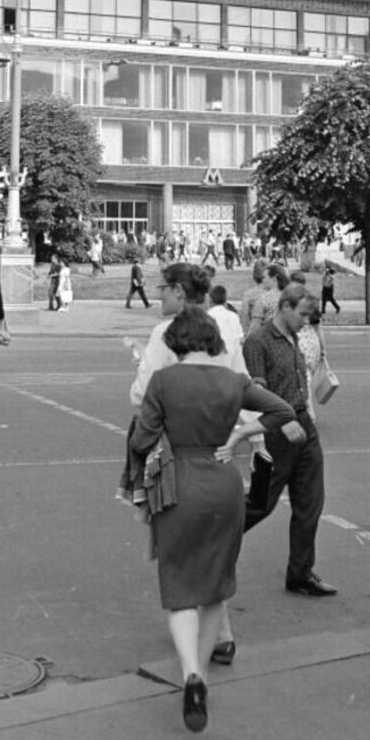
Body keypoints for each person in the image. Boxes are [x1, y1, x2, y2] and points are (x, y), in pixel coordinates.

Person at [128, 305, 299, 733]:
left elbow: (142, 438)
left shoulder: (164, 381)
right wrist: (241, 433)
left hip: (179, 486)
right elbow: (283, 410)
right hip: (224, 485)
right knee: (214, 588)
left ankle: (190, 674)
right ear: (213, 340)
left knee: (179, 584)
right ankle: (202, 676)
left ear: (176, 342)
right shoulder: (232, 380)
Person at [130, 262, 254, 663]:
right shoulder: (224, 326)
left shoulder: (165, 333)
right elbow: (243, 386)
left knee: (179, 542)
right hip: (220, 445)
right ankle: (221, 633)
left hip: (174, 451)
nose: (159, 295)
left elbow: (142, 394)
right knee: (213, 541)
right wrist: (248, 435)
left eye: (163, 288)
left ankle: (201, 637)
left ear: (179, 292)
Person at [241, 286, 334, 597]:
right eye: (302, 314)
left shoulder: (293, 337)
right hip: (277, 433)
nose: (305, 321)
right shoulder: (258, 341)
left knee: (310, 502)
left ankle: (301, 573)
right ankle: (210, 542)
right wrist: (282, 419)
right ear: (284, 307)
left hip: (303, 426)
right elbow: (257, 393)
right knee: (260, 504)